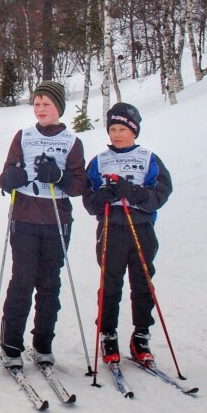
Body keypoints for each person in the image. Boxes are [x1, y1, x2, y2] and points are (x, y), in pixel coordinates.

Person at [0, 81, 87, 368]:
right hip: (24, 217)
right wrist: (11, 179)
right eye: (36, 103)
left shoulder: (72, 141)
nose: (40, 109)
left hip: (56, 221)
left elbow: (79, 185)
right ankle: (11, 345)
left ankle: (43, 343)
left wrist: (59, 177)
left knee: (49, 283)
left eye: (46, 103)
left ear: (58, 107)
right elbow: (6, 174)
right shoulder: (23, 136)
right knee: (21, 281)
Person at [82, 103, 172, 364]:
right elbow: (89, 202)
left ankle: (141, 335)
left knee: (143, 282)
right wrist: (105, 195)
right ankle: (107, 333)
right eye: (112, 129)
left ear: (134, 131)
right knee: (110, 283)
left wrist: (130, 192)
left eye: (122, 129)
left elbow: (161, 194)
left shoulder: (148, 158)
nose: (117, 134)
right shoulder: (100, 161)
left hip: (142, 227)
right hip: (111, 228)